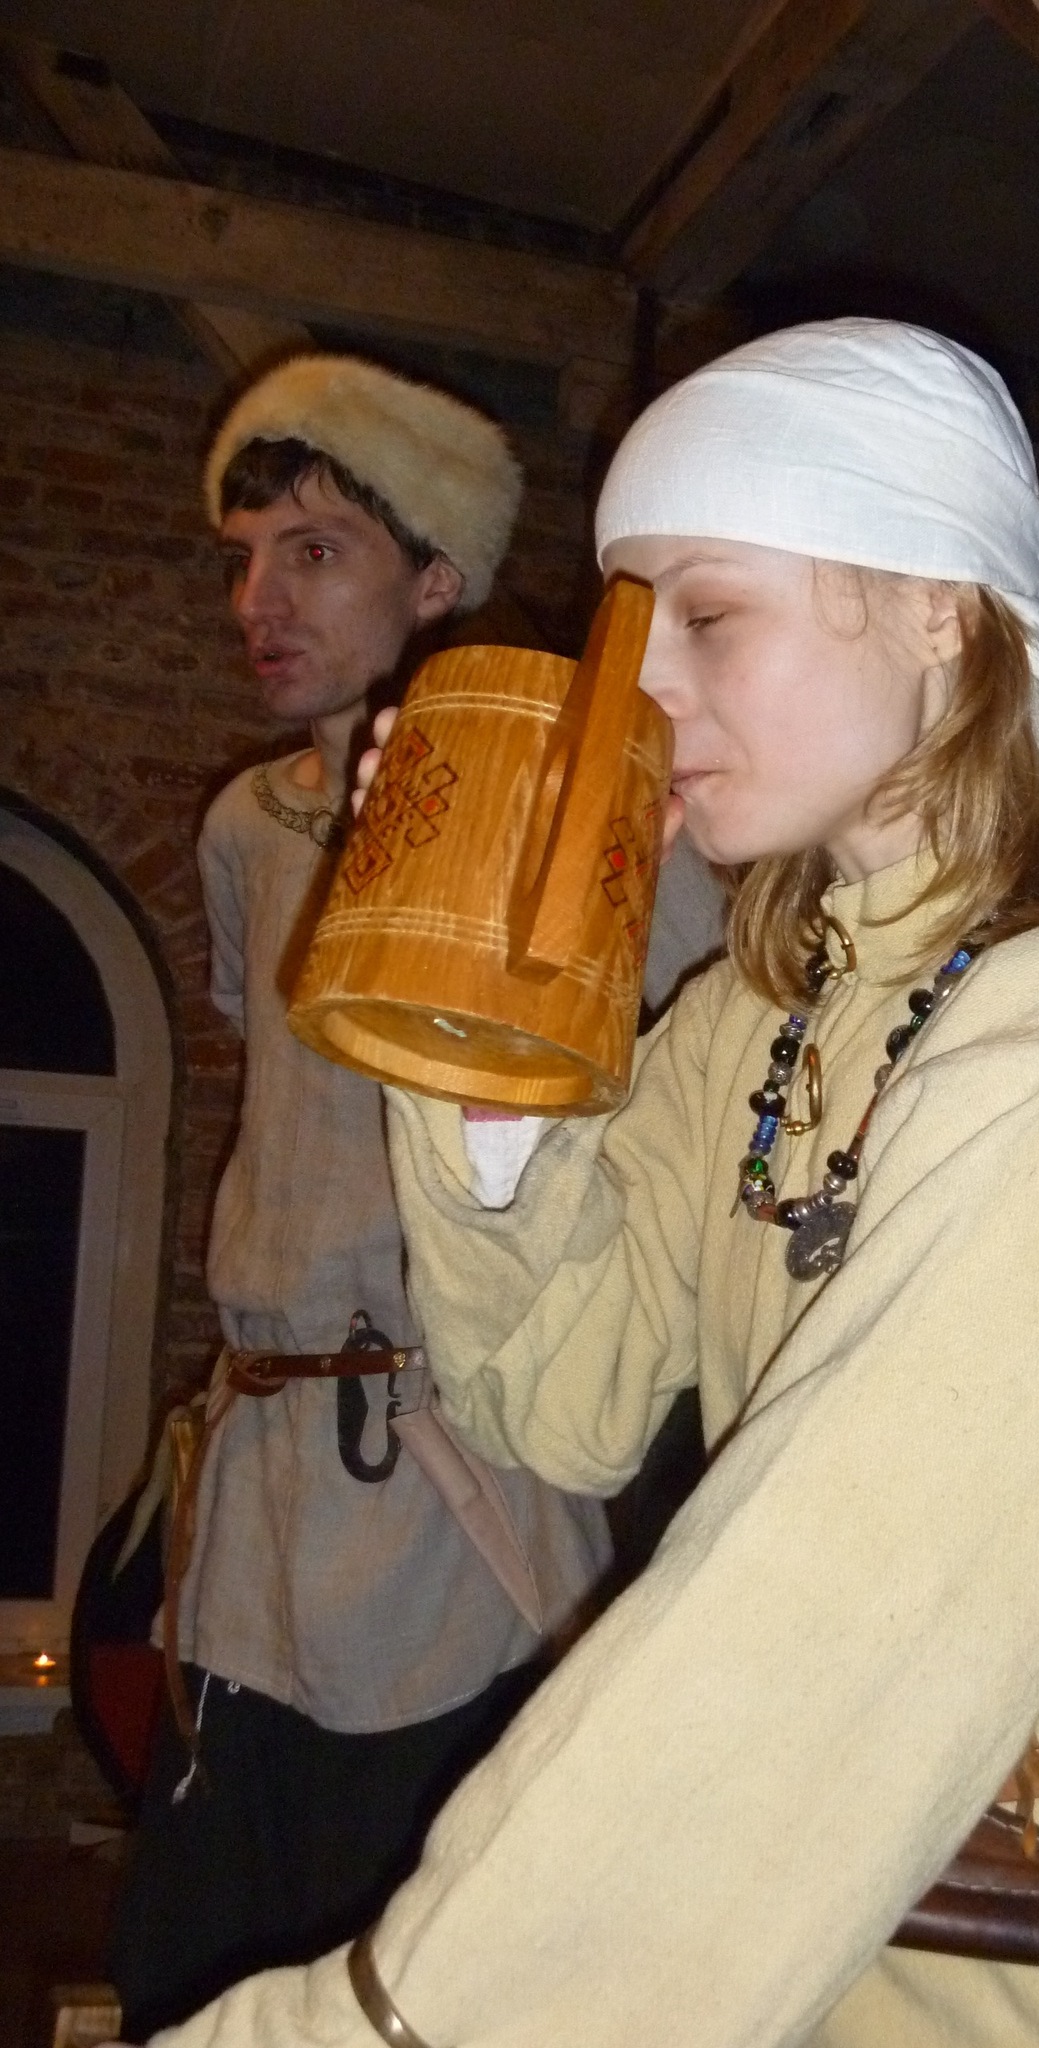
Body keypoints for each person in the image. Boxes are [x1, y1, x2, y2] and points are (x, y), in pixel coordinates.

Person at [154, 320, 1039, 2047]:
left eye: (708, 617)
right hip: (796, 1937)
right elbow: (559, 1402)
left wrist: (361, 2029)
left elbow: (829, 1647)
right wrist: (476, 1024)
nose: (640, 686)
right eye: (629, 626)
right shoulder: (767, 1017)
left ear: (937, 610)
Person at [109, 355, 615, 2040]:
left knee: (419, 1977)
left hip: (445, 1487)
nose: (258, 601)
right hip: (260, 1489)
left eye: (317, 552)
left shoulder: (558, 821)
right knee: (192, 1967)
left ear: (437, 580)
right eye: (246, 558)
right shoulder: (248, 827)